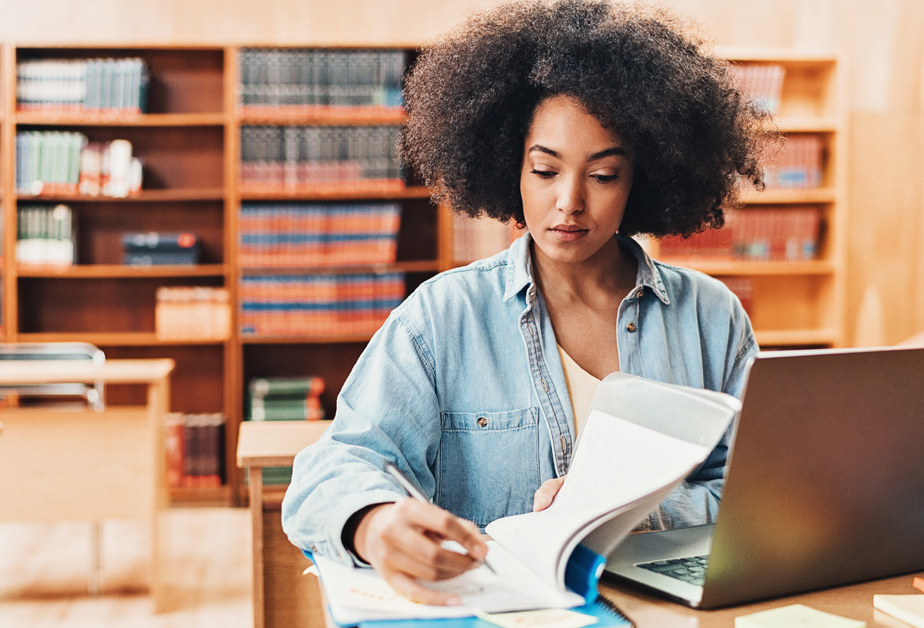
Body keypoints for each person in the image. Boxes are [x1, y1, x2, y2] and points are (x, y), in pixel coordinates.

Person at [282, 0, 776, 606]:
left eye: (602, 176)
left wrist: (636, 511)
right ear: (511, 167)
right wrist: (374, 522)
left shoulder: (711, 317)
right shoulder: (443, 318)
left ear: (640, 180)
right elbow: (330, 469)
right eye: (545, 170)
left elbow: (765, 493)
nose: (569, 202)